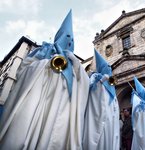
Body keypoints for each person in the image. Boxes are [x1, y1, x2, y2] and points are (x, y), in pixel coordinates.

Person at [0, 10, 90, 150]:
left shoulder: (74, 64)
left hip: (62, 108)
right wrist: (45, 64)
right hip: (39, 102)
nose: (69, 42)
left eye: (72, 40)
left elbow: (83, 86)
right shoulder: (43, 50)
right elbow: (22, 70)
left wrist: (77, 66)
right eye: (66, 37)